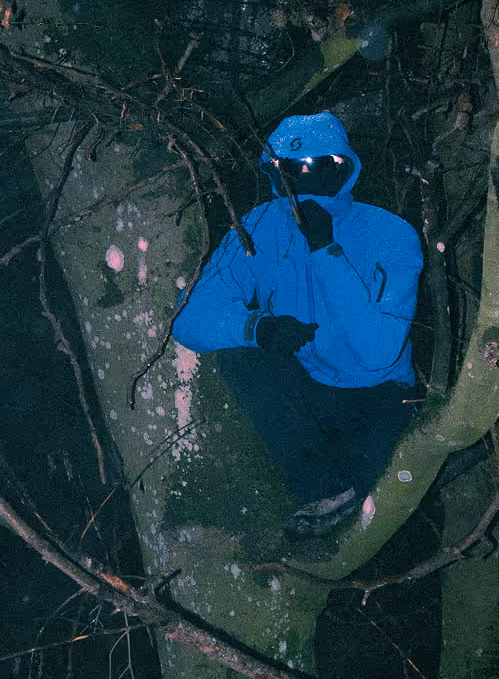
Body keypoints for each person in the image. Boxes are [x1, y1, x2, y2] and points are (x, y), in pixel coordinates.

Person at [172, 111, 423, 536]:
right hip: (311, 395)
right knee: (242, 358)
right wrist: (257, 328)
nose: (303, 180)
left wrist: (326, 252)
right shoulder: (261, 225)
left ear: (343, 167)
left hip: (380, 399)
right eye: (290, 171)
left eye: (317, 167)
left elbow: (380, 352)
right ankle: (320, 490)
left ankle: (343, 494)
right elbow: (188, 315)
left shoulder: (390, 234)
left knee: (376, 505)